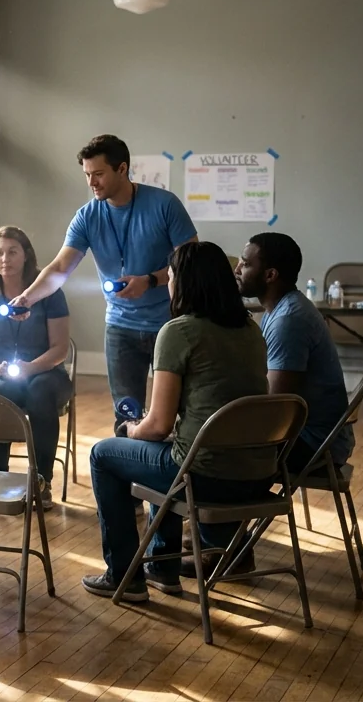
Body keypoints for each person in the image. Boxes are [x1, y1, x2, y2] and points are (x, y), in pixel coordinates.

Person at [82, 242, 273, 601]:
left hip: (205, 476)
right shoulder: (251, 331)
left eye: (170, 277)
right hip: (258, 476)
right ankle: (161, 568)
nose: (168, 284)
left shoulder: (178, 332)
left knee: (103, 455)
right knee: (166, 448)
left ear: (184, 283)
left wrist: (130, 430)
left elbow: (157, 424)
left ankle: (124, 574)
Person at [10, 135, 198, 427]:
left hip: (169, 324)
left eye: (98, 174)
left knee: (178, 413)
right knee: (126, 415)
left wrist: (149, 280)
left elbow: (191, 264)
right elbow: (60, 266)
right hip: (120, 328)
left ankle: (169, 471)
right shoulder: (87, 216)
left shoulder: (164, 205)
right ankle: (126, 467)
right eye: (87, 175)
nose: (91, 182)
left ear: (122, 169)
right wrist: (28, 298)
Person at [0, 226, 72, 506]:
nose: (5, 259)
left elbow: (60, 348)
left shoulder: (48, 292)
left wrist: (32, 368)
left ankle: (41, 481)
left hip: (45, 370)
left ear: (26, 256)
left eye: (12, 252)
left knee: (40, 394)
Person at [235, 232, 355, 472]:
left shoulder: (289, 320)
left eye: (246, 264)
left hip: (314, 447)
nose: (237, 269)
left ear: (270, 275)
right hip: (310, 439)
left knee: (202, 454)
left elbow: (274, 406)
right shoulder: (278, 309)